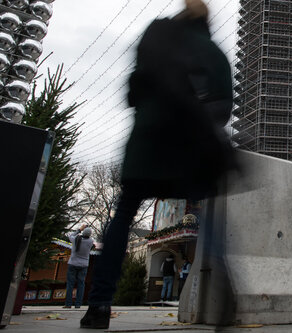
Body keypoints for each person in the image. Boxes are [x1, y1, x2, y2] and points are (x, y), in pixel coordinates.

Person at [80, 0, 238, 329]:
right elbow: (223, 107)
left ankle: (99, 306)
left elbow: (133, 88)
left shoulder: (155, 35)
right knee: (208, 218)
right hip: (190, 149)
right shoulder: (213, 53)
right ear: (207, 20)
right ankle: (223, 290)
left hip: (147, 144)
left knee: (123, 216)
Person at [64, 225, 94, 308]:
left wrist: (79, 229)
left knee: (70, 284)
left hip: (73, 263)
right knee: (81, 284)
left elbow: (70, 235)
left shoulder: (75, 240)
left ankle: (68, 303)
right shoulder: (90, 241)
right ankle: (78, 304)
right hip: (84, 265)